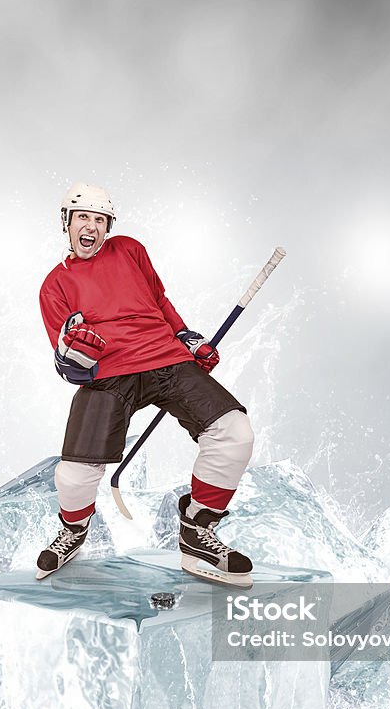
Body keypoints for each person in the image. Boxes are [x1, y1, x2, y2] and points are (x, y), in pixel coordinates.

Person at [37, 183, 256, 586]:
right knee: (74, 475)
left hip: (167, 358)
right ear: (65, 223)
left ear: (108, 226)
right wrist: (76, 354)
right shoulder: (55, 285)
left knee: (235, 433)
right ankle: (74, 530)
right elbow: (68, 367)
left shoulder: (129, 249)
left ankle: (197, 531)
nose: (91, 227)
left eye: (99, 220)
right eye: (82, 218)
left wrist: (187, 337)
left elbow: (159, 300)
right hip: (109, 374)